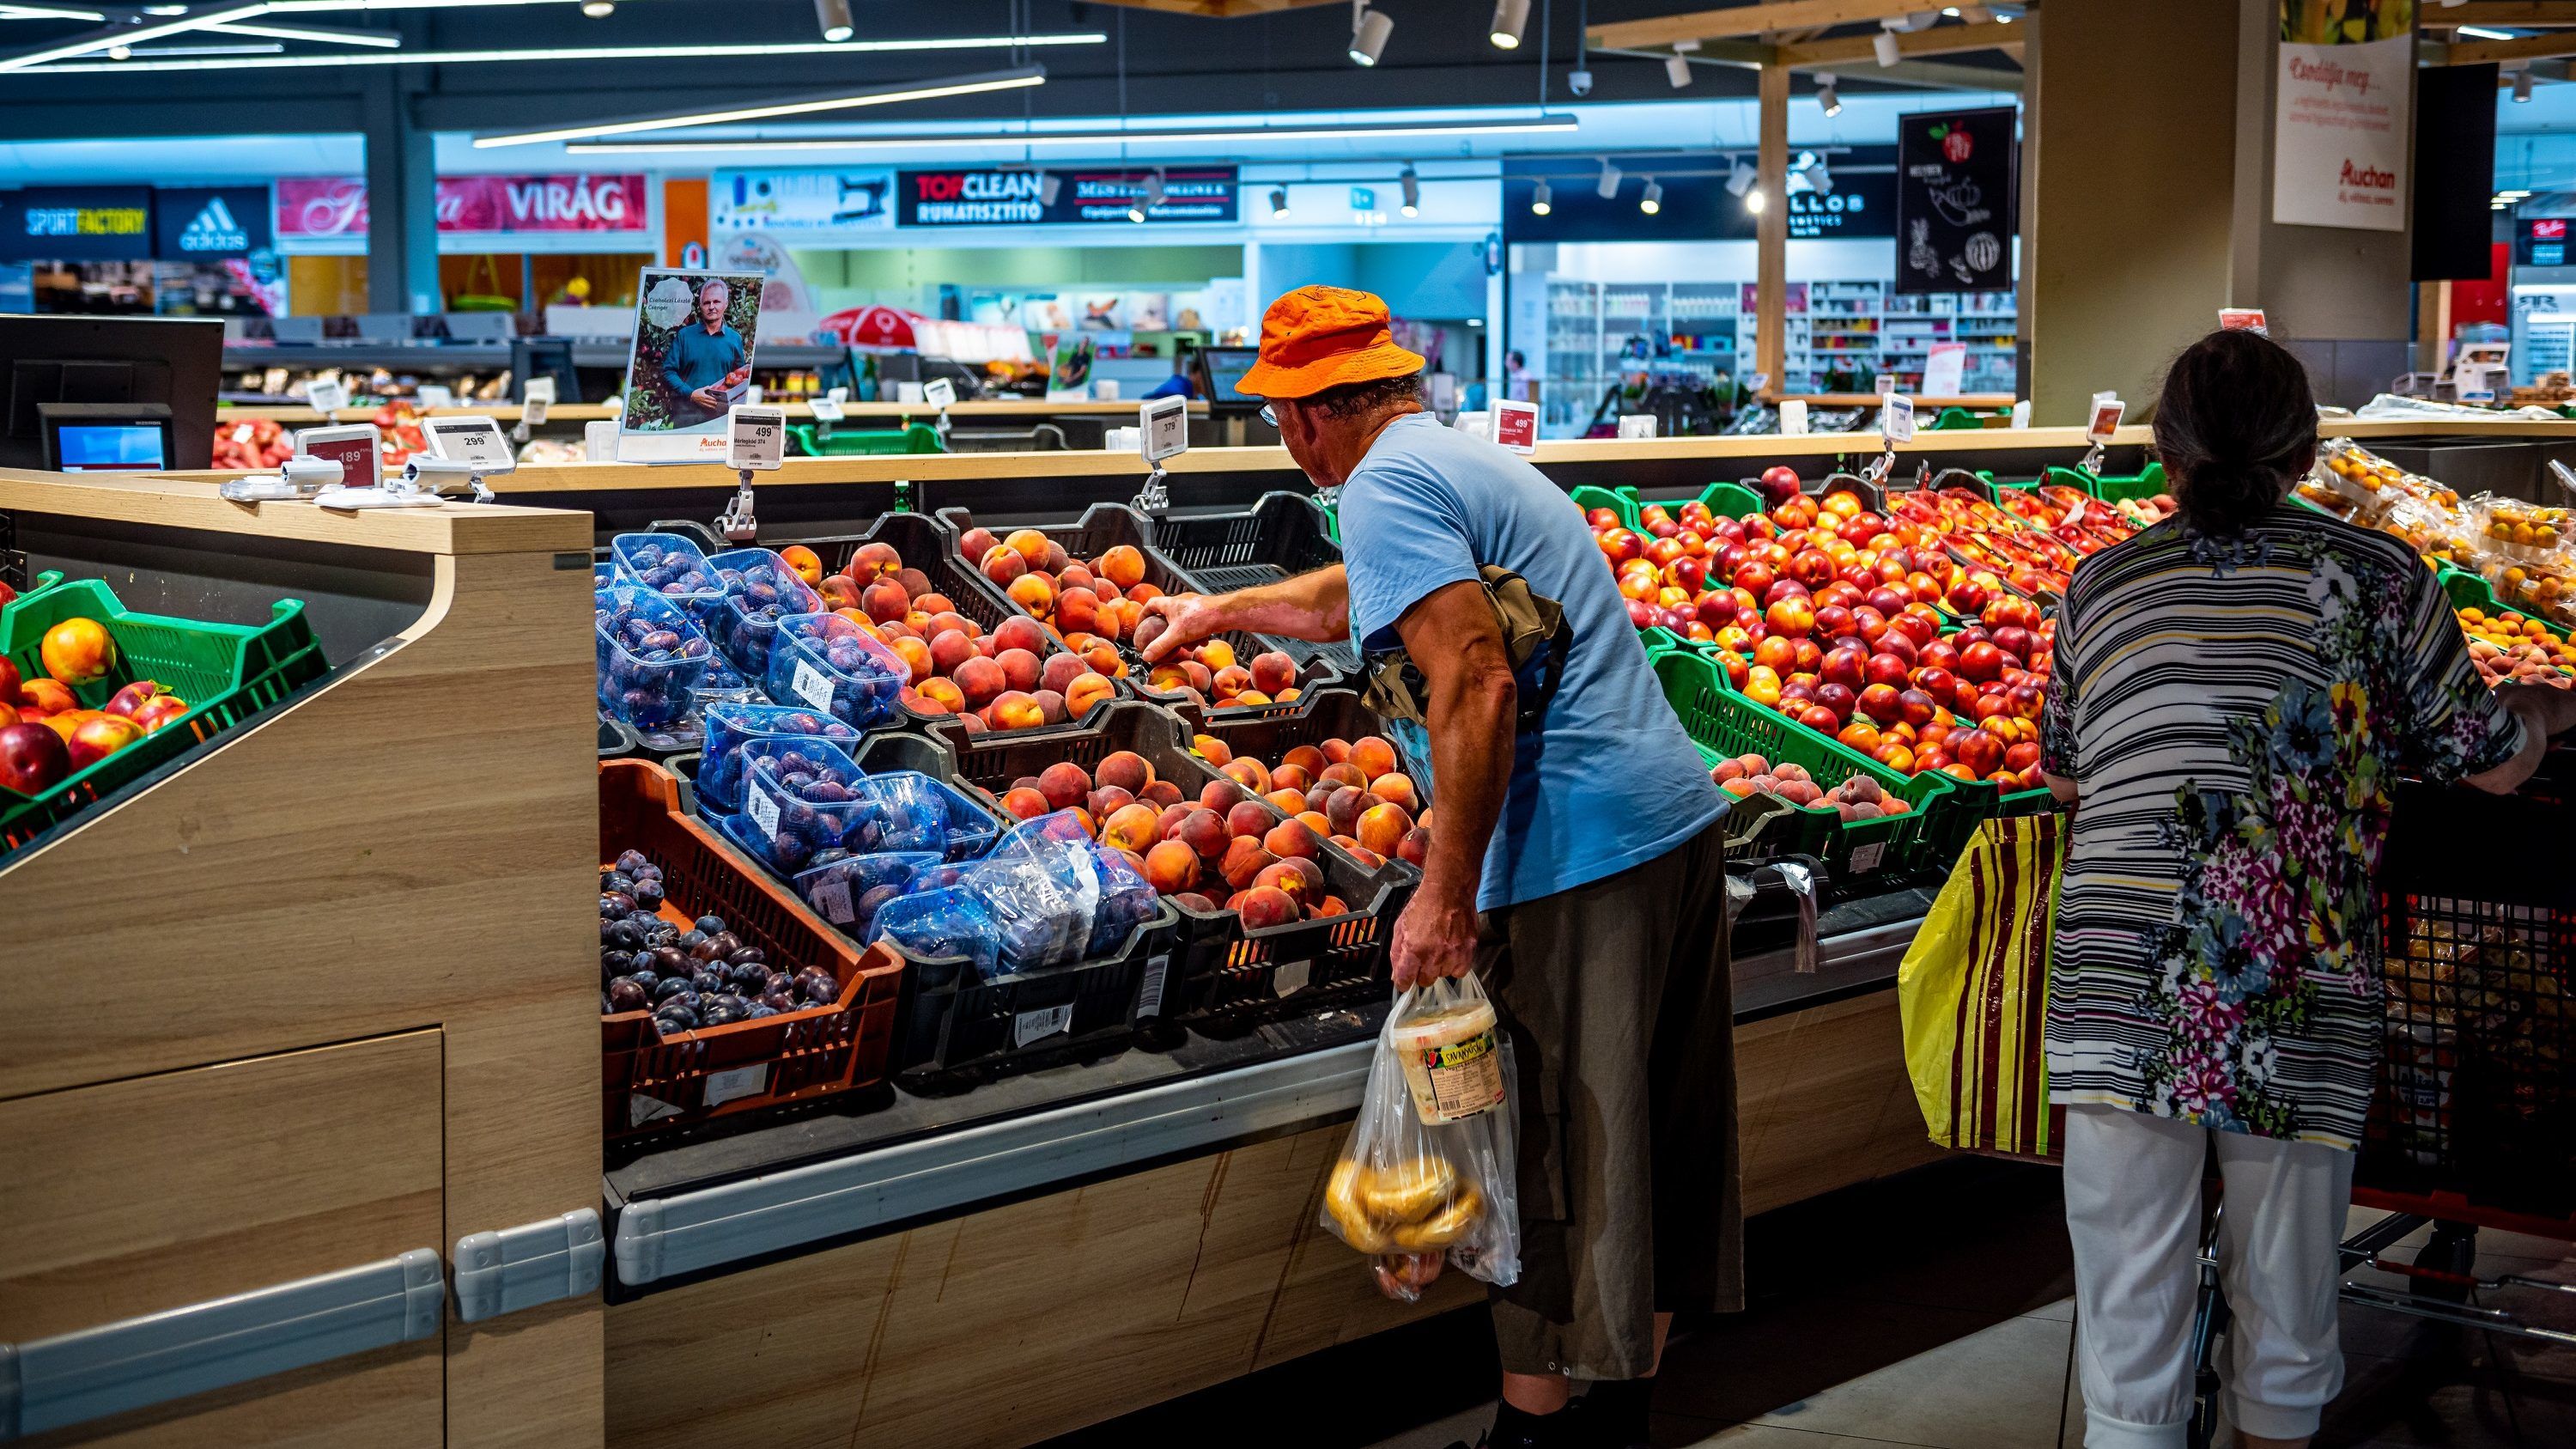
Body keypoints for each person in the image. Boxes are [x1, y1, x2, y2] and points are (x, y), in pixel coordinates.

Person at [1140, 286, 1739, 1449]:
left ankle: (1544, 1431)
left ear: (1316, 414)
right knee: (1656, 1143)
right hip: (1668, 824)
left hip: (1578, 852)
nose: (1281, 436)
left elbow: (1476, 677)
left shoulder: (1381, 485)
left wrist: (1446, 892)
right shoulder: (1446, 463)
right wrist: (1224, 610)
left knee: (1559, 1152)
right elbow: (1370, 598)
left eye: (1281, 414)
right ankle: (1624, 1411)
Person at [2040, 328, 2576, 1449]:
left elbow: (2064, 772)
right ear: (2307, 450)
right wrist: (2550, 706)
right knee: (2285, 1315)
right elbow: (2489, 757)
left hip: (2119, 979)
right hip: (2291, 967)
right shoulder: (2381, 577)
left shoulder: (2101, 579)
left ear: (2165, 450)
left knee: (2127, 1335)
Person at [659, 277, 746, 429]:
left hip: (721, 421)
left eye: (716, 302)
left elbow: (741, 378)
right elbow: (668, 372)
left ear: (725, 304)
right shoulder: (685, 336)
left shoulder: (734, 339)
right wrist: (691, 394)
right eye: (707, 303)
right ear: (700, 306)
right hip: (687, 418)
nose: (711, 307)